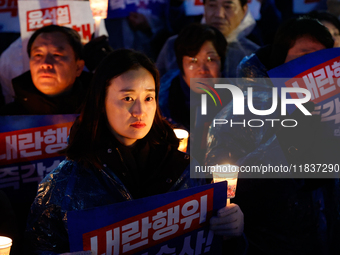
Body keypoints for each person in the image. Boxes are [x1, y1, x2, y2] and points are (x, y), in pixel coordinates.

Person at [24, 49, 244, 254]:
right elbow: (38, 246)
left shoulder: (185, 168)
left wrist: (232, 230)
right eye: (127, 98)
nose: (140, 111)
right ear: (101, 101)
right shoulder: (65, 183)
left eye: (148, 98)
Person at [206, 17, 340, 254]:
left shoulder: (330, 107)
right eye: (304, 57)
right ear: (280, 59)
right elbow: (222, 183)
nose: (311, 69)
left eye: (320, 61)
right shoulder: (240, 112)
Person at [159, 23, 232, 164]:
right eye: (193, 60)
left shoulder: (238, 102)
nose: (202, 69)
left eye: (211, 60)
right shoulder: (161, 102)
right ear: (181, 65)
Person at [0, 25, 90, 115]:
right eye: (38, 55)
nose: (45, 64)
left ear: (78, 67)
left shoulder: (98, 113)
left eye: (56, 55)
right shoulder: (6, 120)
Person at [156, 0, 259, 78]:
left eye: (228, 7)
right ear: (204, 7)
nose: (219, 14)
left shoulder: (254, 55)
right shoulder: (175, 46)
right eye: (212, 5)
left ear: (244, 10)